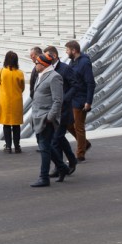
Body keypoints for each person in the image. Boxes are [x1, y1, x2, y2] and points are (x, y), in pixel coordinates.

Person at [28, 52, 67, 187]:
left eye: (37, 63)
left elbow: (58, 100)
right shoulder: (41, 75)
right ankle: (63, 168)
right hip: (38, 116)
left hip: (45, 118)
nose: (35, 65)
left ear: (43, 64)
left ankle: (44, 177)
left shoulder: (55, 77)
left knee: (44, 147)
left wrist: (50, 117)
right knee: (46, 146)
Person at [45, 45, 77, 176]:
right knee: (60, 139)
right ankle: (72, 160)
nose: (45, 58)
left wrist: (64, 99)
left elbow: (75, 85)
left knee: (55, 140)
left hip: (63, 112)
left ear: (54, 55)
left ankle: (59, 167)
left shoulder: (65, 68)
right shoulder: (48, 69)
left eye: (47, 56)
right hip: (53, 111)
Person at [64, 40, 95, 160]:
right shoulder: (73, 61)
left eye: (67, 50)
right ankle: (85, 143)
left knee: (79, 126)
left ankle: (80, 153)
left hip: (81, 99)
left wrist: (88, 101)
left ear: (73, 50)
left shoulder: (84, 63)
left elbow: (90, 83)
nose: (66, 52)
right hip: (73, 98)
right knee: (68, 124)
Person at [0, 51, 25, 153]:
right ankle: (17, 146)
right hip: (17, 101)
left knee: (6, 124)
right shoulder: (20, 73)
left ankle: (8, 146)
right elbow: (22, 87)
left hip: (4, 101)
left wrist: (2, 93)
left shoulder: (1, 71)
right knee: (16, 125)